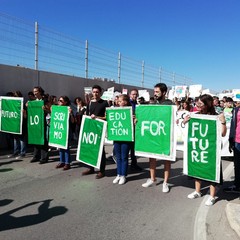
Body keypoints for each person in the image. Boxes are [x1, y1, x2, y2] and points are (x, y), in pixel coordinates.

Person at [184, 94, 227, 206]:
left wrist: (223, 122)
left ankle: (212, 196)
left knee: (212, 171)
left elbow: (223, 134)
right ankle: (197, 191)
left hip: (211, 149)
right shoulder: (195, 115)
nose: (197, 105)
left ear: (207, 104)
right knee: (198, 168)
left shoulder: (216, 116)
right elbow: (185, 128)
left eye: (200, 103)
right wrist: (185, 121)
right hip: (198, 148)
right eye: (197, 103)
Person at [142, 83, 173, 193]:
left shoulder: (170, 104)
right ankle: (152, 178)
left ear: (164, 92)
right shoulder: (152, 103)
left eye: (157, 92)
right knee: (151, 156)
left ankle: (165, 182)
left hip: (165, 136)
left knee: (166, 159)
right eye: (154, 92)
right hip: (154, 135)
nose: (154, 94)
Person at [81, 85, 109, 179]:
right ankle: (91, 168)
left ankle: (102, 171)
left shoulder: (104, 103)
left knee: (100, 150)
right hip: (91, 129)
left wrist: (97, 118)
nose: (95, 94)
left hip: (99, 129)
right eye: (94, 92)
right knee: (90, 148)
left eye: (97, 92)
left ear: (100, 93)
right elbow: (88, 116)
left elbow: (107, 117)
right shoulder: (89, 103)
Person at [112, 94, 132, 185]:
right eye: (119, 101)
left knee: (124, 157)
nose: (120, 103)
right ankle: (118, 174)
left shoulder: (131, 111)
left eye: (122, 101)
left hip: (126, 137)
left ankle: (123, 175)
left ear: (126, 101)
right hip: (116, 137)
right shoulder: (114, 111)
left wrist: (134, 119)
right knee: (118, 157)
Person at [29, 86, 49, 164]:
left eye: (36, 91)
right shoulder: (33, 102)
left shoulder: (45, 101)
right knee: (36, 139)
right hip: (35, 124)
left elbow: (49, 111)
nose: (35, 93)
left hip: (43, 123)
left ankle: (44, 158)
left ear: (40, 92)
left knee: (43, 141)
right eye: (34, 91)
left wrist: (45, 109)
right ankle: (36, 156)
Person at [55, 96, 75, 170]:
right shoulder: (57, 109)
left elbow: (73, 121)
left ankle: (67, 163)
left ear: (65, 102)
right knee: (60, 146)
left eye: (61, 101)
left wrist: (70, 114)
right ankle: (62, 161)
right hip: (60, 129)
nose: (59, 102)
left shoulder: (68, 109)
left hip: (66, 130)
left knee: (66, 147)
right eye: (59, 100)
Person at [224, 103, 240, 192]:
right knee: (237, 165)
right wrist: (231, 140)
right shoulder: (236, 110)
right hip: (237, 140)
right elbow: (233, 125)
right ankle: (237, 185)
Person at [129, 89, 142, 171]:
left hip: (135, 128)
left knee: (134, 147)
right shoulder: (127, 103)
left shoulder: (137, 104)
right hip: (128, 128)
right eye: (133, 94)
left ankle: (134, 164)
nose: (134, 96)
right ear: (130, 94)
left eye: (136, 94)